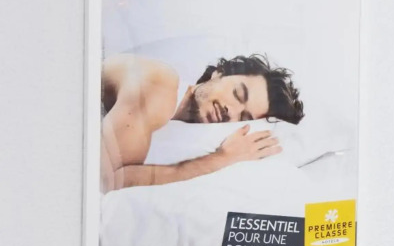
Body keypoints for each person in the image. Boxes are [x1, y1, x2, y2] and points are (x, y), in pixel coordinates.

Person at [100, 53, 304, 192]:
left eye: (243, 118)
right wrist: (221, 159)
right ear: (219, 73)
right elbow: (104, 180)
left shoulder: (177, 121)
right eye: (237, 93)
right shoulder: (161, 83)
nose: (230, 111)